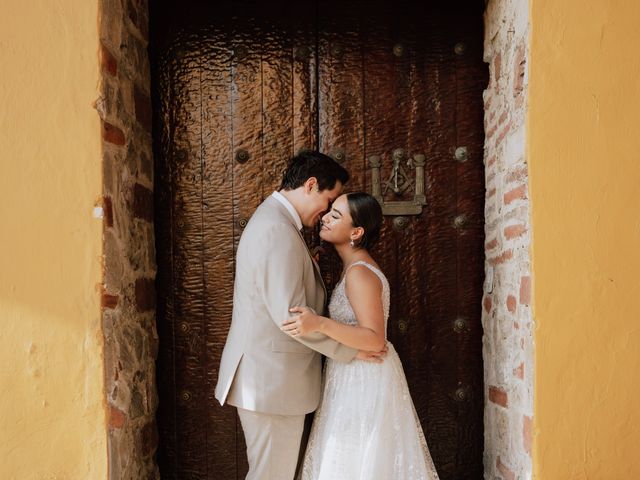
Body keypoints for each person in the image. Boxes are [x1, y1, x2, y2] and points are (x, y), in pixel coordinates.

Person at [214, 152, 385, 480]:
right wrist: (352, 351)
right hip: (270, 382)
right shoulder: (276, 230)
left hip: (274, 381)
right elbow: (291, 317)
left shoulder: (277, 224)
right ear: (310, 186)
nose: (326, 212)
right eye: (329, 199)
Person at [281, 192, 440, 479]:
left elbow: (374, 338)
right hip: (351, 373)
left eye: (336, 216)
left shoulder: (360, 274)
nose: (326, 218)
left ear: (356, 232)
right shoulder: (352, 269)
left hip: (364, 378)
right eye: (329, 212)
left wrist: (319, 324)